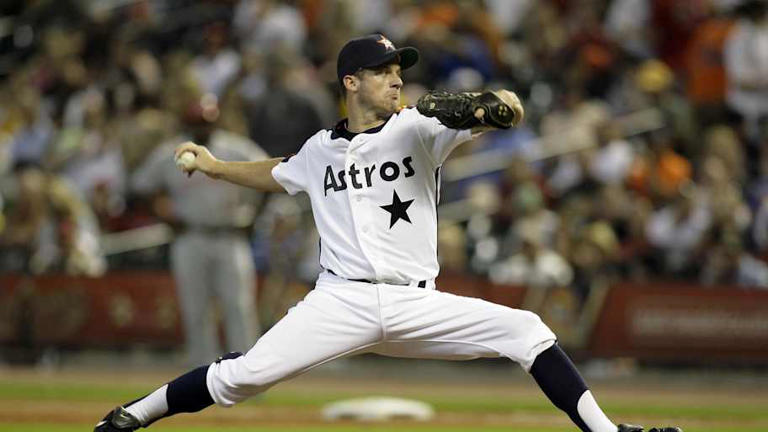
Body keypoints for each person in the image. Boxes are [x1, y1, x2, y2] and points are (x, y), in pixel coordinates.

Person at [95, 34, 681, 432]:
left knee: (527, 330)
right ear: (351, 82)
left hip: (414, 301)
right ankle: (130, 417)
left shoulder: (420, 129)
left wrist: (494, 107)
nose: (396, 80)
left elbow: (508, 109)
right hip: (339, 299)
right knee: (241, 376)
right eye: (383, 72)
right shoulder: (319, 149)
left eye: (399, 71)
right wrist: (215, 165)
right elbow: (276, 173)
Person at [130, 100, 267, 366]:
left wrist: (254, 218)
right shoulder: (171, 152)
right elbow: (139, 187)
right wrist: (163, 216)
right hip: (190, 236)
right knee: (196, 309)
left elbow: (271, 174)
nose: (202, 127)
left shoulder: (235, 147)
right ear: (187, 124)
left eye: (206, 122)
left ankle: (248, 371)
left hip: (229, 235)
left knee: (238, 306)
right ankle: (202, 373)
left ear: (215, 121)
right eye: (197, 122)